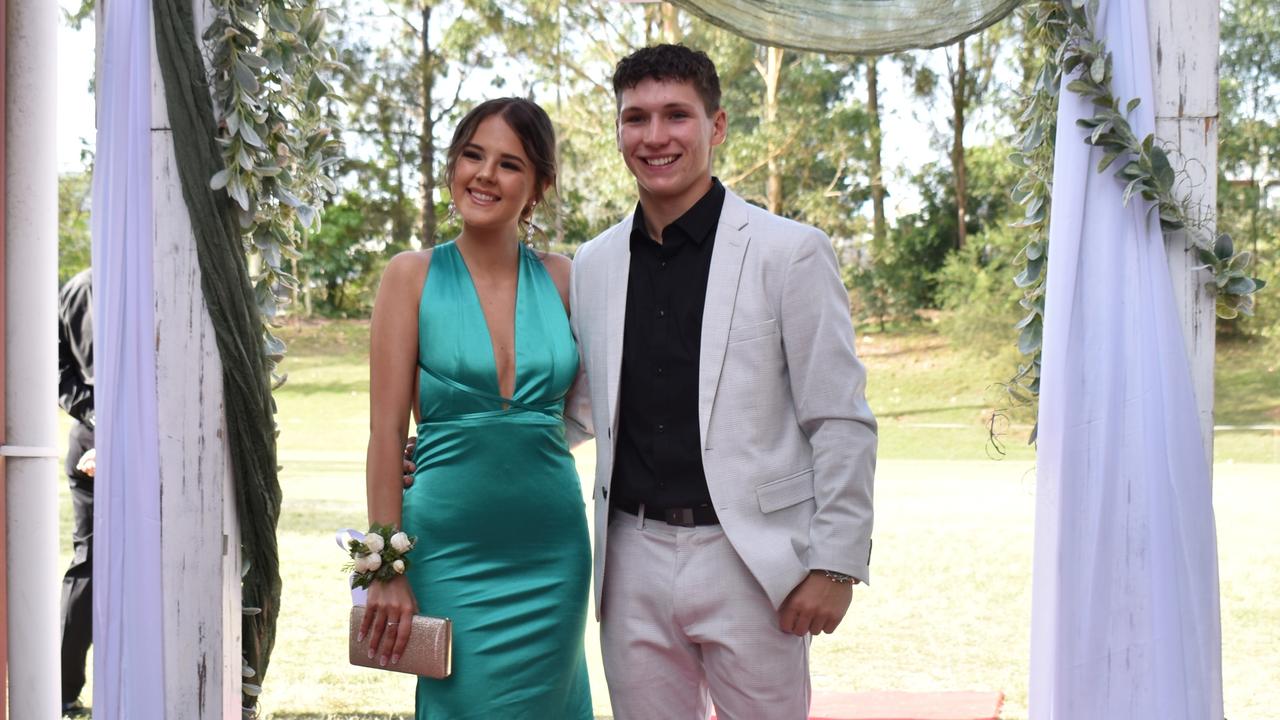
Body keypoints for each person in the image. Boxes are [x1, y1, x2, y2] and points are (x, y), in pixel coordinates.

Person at [565, 44, 878, 719]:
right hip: (629, 560)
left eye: (676, 115)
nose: (654, 137)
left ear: (718, 126)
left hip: (752, 560)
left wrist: (835, 564)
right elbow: (581, 409)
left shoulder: (788, 252)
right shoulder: (591, 265)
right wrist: (457, 448)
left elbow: (840, 418)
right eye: (635, 118)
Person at [360, 97, 592, 719]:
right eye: (472, 155)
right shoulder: (409, 277)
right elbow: (385, 433)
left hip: (554, 553)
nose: (485, 174)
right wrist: (384, 566)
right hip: (449, 550)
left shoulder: (569, 280)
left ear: (538, 186)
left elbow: (599, 406)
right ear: (452, 167)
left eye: (509, 164)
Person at [57, 267, 95, 718]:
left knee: (88, 562)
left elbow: (58, 370)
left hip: (87, 434)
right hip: (98, 446)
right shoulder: (96, 288)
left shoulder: (72, 286)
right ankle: (63, 690)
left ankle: (63, 690)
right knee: (90, 565)